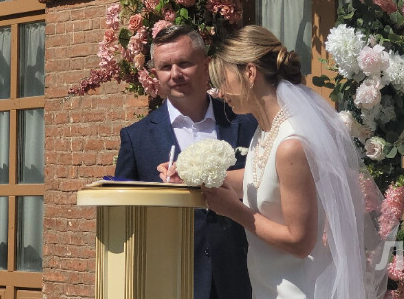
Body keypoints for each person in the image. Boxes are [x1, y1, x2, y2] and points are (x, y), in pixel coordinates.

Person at [162, 25, 389, 299]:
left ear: (249, 73)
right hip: (268, 286)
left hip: (298, 289)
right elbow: (261, 178)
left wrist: (235, 211)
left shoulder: (291, 144)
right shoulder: (266, 130)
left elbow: (300, 242)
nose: (219, 91)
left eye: (224, 79)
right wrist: (191, 176)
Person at [114, 25, 257, 299]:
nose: (175, 74)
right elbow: (123, 219)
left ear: (205, 65)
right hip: (171, 279)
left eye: (184, 63)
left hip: (242, 276)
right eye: (165, 67)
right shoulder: (137, 138)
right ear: (155, 73)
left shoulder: (244, 122)